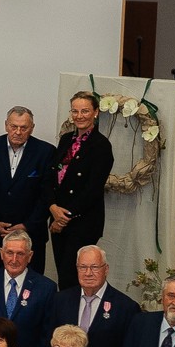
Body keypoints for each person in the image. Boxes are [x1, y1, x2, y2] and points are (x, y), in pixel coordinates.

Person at [0, 106, 56, 274]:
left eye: (24, 128)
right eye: (14, 126)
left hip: (31, 235)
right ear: (6, 125)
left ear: (32, 128)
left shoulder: (46, 151)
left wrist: (27, 225)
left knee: (29, 286)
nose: (18, 132)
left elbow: (47, 194)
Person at [48, 90, 114, 281]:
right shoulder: (66, 140)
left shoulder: (101, 145)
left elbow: (93, 190)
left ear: (96, 112)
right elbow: (51, 178)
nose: (79, 116)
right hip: (57, 217)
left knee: (74, 276)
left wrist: (63, 218)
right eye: (75, 111)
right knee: (63, 275)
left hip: (83, 222)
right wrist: (52, 207)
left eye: (85, 111)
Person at [50, 244, 138, 347]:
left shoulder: (126, 307)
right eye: (83, 267)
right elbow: (49, 339)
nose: (88, 273)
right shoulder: (60, 300)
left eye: (95, 267)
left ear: (106, 269)